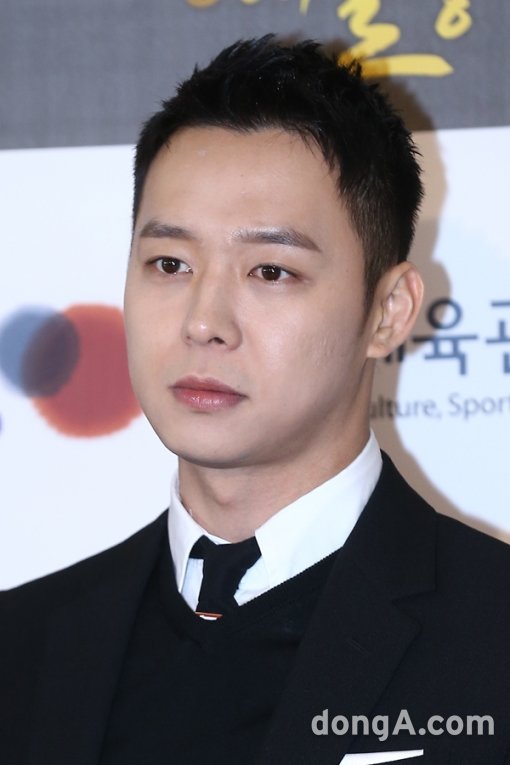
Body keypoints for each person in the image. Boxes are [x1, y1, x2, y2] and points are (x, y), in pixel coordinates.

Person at [2, 36, 510, 765]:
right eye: (169, 263)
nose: (204, 322)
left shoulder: (492, 634)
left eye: (271, 271)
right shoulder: (24, 645)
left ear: (389, 311)